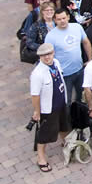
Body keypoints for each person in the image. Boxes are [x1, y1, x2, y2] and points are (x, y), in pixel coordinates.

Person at [29, 43, 69, 173]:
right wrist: (37, 111)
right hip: (48, 108)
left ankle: (66, 144)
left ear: (53, 53)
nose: (47, 57)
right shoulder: (37, 74)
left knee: (64, 126)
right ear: (40, 57)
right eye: (43, 55)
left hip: (61, 103)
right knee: (44, 134)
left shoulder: (56, 63)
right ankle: (41, 157)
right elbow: (35, 96)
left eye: (49, 54)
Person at [44, 8, 92, 103]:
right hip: (64, 74)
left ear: (68, 17)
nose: (62, 21)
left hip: (80, 70)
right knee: (66, 100)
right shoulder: (50, 36)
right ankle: (68, 117)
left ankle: (81, 115)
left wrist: (90, 59)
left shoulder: (77, 27)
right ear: (55, 20)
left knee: (83, 97)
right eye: (59, 19)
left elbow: (86, 42)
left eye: (64, 18)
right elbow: (48, 56)